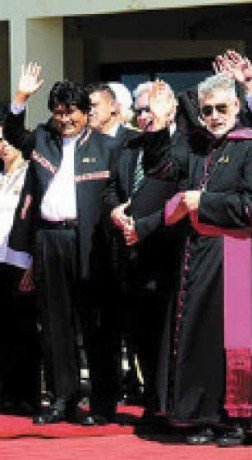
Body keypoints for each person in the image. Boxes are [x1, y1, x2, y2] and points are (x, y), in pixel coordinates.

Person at [138, 74, 252, 447]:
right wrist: (159, 126)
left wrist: (204, 202)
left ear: (237, 107)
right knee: (201, 337)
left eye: (221, 108)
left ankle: (234, 419)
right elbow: (159, 169)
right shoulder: (197, 145)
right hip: (197, 254)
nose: (214, 116)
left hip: (234, 253)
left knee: (232, 340)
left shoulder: (250, 147)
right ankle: (204, 416)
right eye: (207, 110)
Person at [4, 63, 118, 426]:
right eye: (57, 113)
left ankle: (102, 404)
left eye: (71, 113)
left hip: (89, 242)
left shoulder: (107, 146)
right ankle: (62, 399)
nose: (64, 120)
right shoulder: (42, 138)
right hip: (48, 239)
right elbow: (12, 132)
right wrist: (21, 97)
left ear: (85, 112)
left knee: (94, 324)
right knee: (55, 324)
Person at [102, 80, 182, 416]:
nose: (144, 116)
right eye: (139, 111)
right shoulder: (128, 145)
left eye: (150, 109)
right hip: (131, 256)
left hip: (168, 253)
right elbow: (110, 188)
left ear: (170, 108)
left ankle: (169, 405)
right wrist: (115, 210)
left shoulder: (184, 145)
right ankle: (152, 403)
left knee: (167, 335)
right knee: (142, 335)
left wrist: (145, 226)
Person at [0, 116, 40, 415]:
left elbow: (35, 222)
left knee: (24, 329)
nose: (3, 146)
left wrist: (33, 264)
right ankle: (5, 393)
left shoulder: (31, 175)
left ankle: (27, 395)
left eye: (7, 140)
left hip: (21, 261)